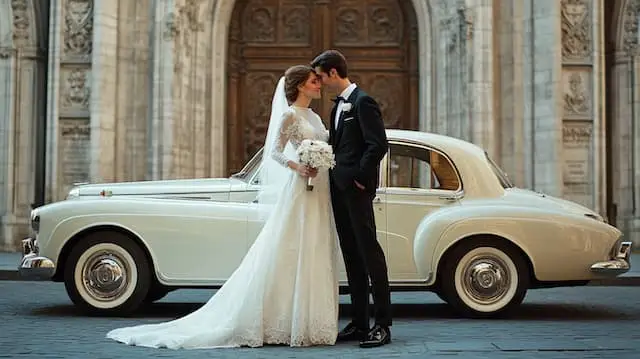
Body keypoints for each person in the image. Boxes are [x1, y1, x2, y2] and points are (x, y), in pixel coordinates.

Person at [105, 65, 340, 349]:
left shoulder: (313, 115)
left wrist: (322, 159)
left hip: (320, 191)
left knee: (313, 249)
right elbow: (275, 152)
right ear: (300, 85)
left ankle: (308, 320)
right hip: (301, 189)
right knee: (290, 249)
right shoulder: (289, 115)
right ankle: (282, 319)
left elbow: (325, 143)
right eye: (314, 81)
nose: (319, 85)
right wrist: (298, 166)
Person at [311, 50, 391, 348]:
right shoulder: (337, 108)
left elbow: (378, 144)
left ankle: (382, 324)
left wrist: (359, 177)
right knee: (352, 257)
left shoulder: (363, 102)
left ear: (333, 73)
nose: (318, 82)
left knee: (371, 255)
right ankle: (359, 322)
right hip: (338, 190)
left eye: (320, 76)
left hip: (356, 190)